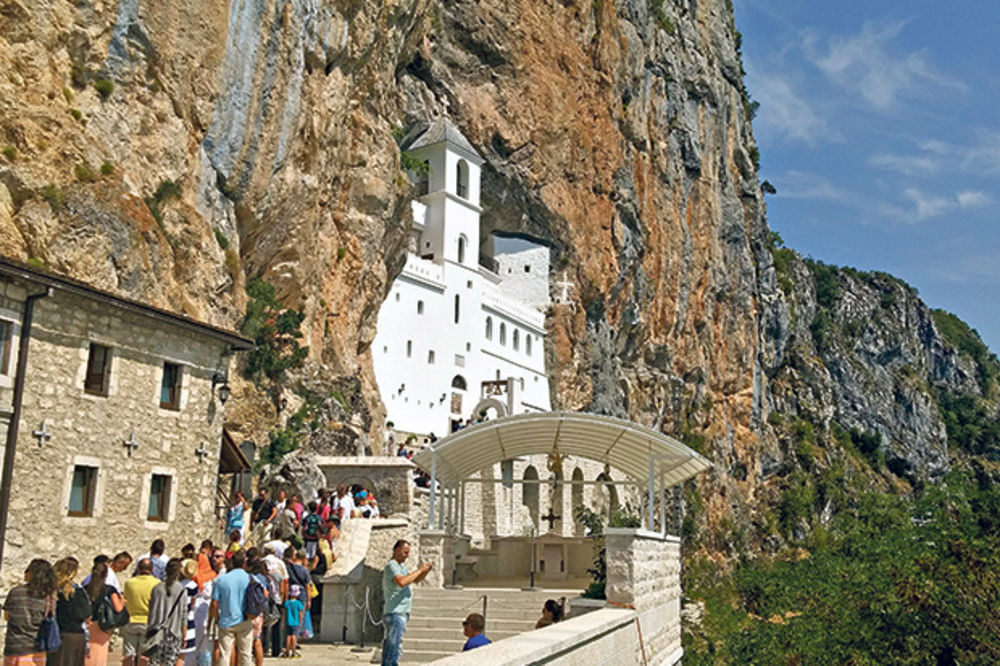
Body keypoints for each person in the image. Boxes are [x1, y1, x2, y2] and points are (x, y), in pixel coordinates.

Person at [381, 540, 432, 666]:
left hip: (401, 612)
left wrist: (425, 571)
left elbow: (415, 580)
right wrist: (419, 569)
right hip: (395, 612)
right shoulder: (392, 565)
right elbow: (402, 582)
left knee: (392, 645)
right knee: (394, 647)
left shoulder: (401, 567)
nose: (407, 556)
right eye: (405, 552)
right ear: (397, 550)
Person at [3, 558, 56, 665]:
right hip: (36, 650)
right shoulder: (48, 598)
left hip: (13, 648)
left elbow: (7, 616)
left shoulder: (15, 592)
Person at [210, 550, 253, 666]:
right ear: (244, 562)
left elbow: (214, 603)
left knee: (224, 654)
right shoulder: (249, 578)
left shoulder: (221, 579)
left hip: (226, 619)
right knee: (246, 654)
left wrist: (216, 618)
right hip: (245, 618)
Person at [48, 556, 92, 666]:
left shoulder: (51, 590)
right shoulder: (78, 591)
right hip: (76, 636)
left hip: (56, 634)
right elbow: (86, 613)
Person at [146, 558, 187, 666]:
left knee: (154, 663)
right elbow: (183, 615)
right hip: (173, 632)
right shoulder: (182, 590)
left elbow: (151, 610)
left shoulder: (157, 588)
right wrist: (184, 635)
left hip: (156, 631)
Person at [85, 561, 126, 666]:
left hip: (87, 624)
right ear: (106, 574)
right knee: (99, 656)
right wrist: (123, 601)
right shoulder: (109, 589)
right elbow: (118, 608)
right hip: (102, 625)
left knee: (87, 656)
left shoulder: (85, 589)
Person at [123, 558, 161, 666]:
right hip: (149, 621)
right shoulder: (157, 583)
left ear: (138, 569)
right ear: (152, 569)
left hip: (131, 620)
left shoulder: (129, 583)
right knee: (145, 656)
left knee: (129, 655)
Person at [281, 587, 304, 659]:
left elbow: (284, 614)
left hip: (288, 622)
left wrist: (283, 622)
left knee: (288, 636)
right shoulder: (299, 603)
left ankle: (287, 651)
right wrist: (300, 622)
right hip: (295, 622)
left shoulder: (286, 603)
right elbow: (300, 614)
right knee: (294, 637)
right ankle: (293, 651)